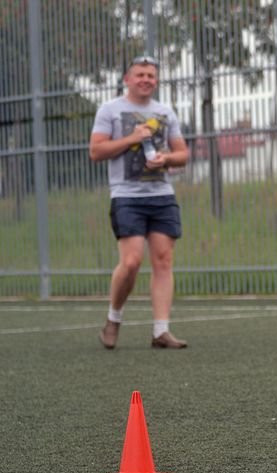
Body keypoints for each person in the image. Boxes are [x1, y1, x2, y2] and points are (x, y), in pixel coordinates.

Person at [89, 55, 189, 350]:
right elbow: (96, 151)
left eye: (151, 76)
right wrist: (131, 137)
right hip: (126, 197)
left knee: (163, 260)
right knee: (131, 261)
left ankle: (161, 331)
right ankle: (113, 317)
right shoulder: (110, 110)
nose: (146, 80)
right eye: (140, 75)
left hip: (162, 196)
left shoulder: (165, 112)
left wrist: (167, 159)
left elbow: (182, 154)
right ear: (127, 79)